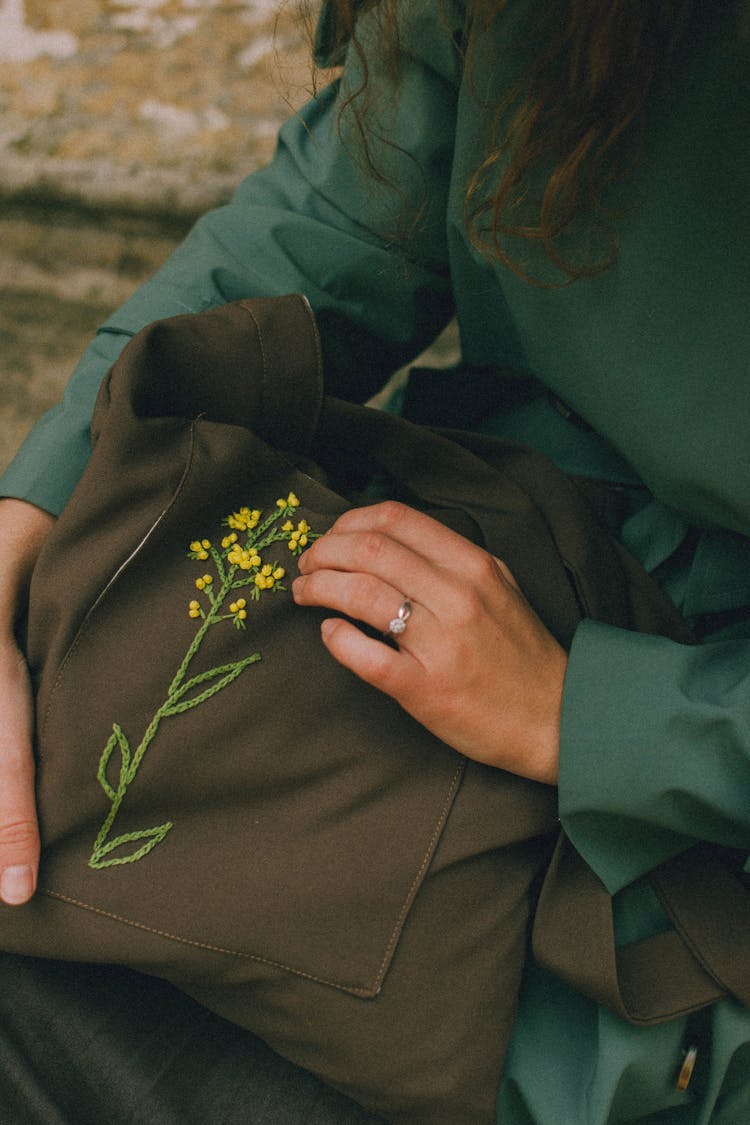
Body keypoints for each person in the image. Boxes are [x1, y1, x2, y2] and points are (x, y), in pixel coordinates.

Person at [1, 0, 749, 1120]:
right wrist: (20, 530)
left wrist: (584, 713)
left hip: (656, 872)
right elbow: (340, 216)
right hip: (438, 584)